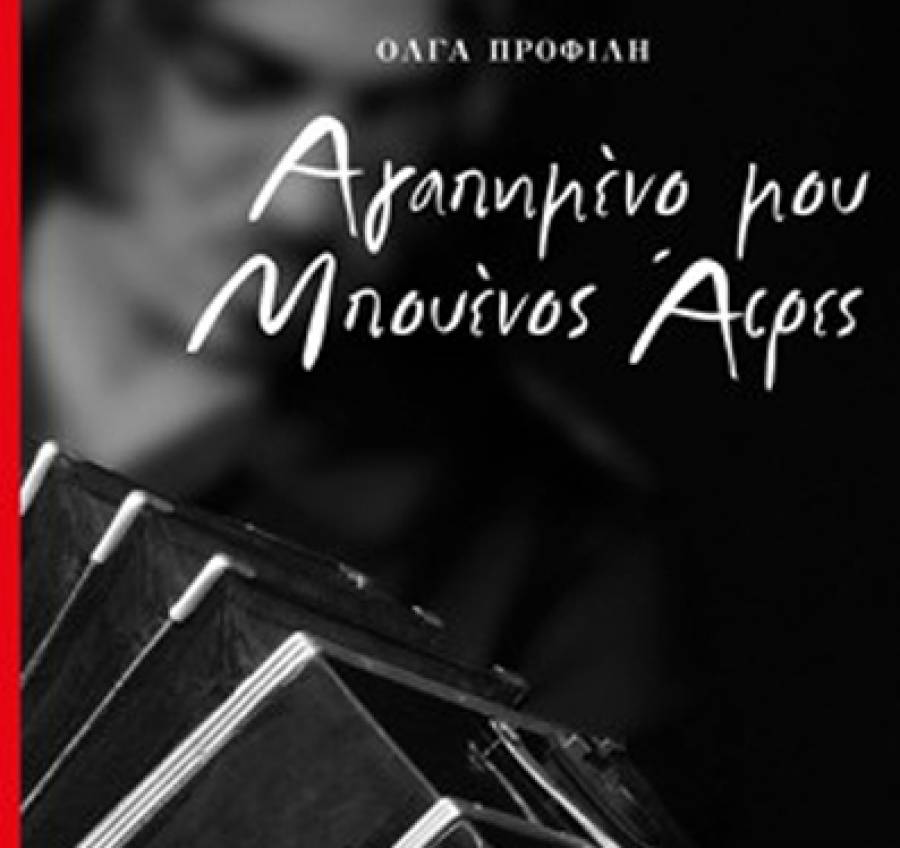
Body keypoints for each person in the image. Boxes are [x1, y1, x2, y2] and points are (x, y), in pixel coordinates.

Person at [23, 0, 720, 839]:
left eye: (394, 111)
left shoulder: (566, 555)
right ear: (79, 40)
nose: (308, 206)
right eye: (236, 81)